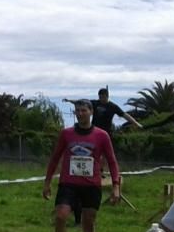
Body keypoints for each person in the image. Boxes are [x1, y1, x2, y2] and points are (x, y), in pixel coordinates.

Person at [43, 99, 121, 232]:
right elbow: (55, 158)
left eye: (83, 110)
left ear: (91, 112)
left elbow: (112, 161)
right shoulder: (66, 134)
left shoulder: (102, 136)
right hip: (68, 184)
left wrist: (116, 186)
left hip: (91, 186)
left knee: (88, 224)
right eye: (77, 110)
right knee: (61, 216)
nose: (80, 113)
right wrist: (47, 182)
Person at [61, 88, 142, 224]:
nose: (102, 99)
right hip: (93, 133)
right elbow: (80, 103)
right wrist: (69, 101)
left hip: (106, 134)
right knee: (91, 154)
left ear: (107, 96)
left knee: (105, 155)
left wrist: (136, 123)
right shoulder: (95, 103)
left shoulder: (112, 106)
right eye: (100, 97)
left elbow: (124, 115)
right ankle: (98, 170)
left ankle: (101, 171)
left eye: (103, 97)